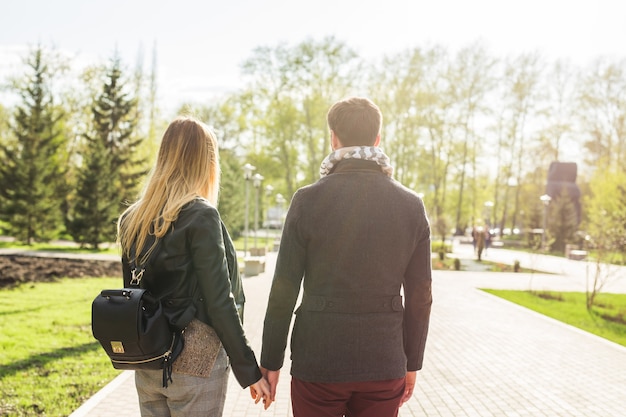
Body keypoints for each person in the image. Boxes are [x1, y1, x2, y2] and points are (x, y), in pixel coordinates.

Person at [260, 97, 432, 417]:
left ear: (333, 138)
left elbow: (283, 288)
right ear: (377, 139)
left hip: (319, 360)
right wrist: (412, 363)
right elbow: (421, 295)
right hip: (384, 359)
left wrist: (271, 361)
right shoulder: (411, 205)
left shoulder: (307, 201)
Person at [117, 116, 271, 416]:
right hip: (197, 362)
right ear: (206, 161)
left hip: (148, 358)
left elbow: (134, 296)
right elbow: (219, 302)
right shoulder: (201, 216)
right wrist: (249, 371)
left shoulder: (132, 219)